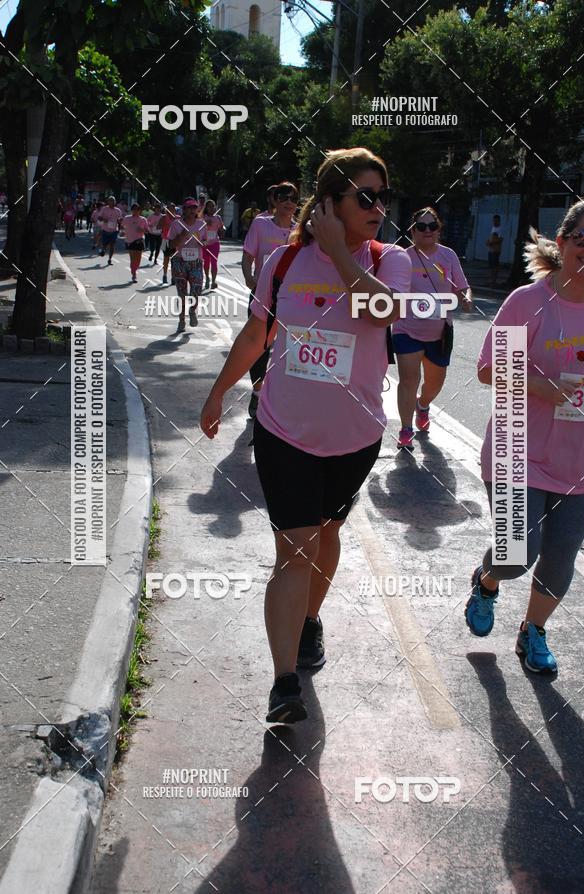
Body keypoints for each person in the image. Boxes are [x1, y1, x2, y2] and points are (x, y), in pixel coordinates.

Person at [200, 147, 411, 724]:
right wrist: (219, 390)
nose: (377, 207)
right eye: (363, 196)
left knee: (327, 533)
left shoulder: (389, 260)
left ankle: (312, 619)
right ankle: (284, 681)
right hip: (283, 430)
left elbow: (379, 313)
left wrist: (342, 252)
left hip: (355, 437)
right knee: (294, 548)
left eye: (381, 197)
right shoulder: (285, 264)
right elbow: (256, 332)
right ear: (328, 202)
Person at [466, 199, 584, 674]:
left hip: (582, 458)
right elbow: (487, 370)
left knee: (560, 558)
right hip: (516, 450)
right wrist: (542, 385)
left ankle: (533, 631)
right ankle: (486, 582)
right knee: (518, 553)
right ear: (562, 242)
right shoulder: (528, 301)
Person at [393, 207, 472, 450]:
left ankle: (423, 405)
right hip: (406, 329)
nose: (427, 231)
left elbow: (462, 286)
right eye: (421, 226)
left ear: (438, 230)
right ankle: (406, 429)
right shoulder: (401, 257)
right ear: (412, 231)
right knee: (409, 379)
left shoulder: (448, 256)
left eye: (432, 226)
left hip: (439, 331)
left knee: (434, 384)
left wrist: (466, 298)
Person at [242, 182, 298, 418]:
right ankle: (257, 392)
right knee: (259, 347)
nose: (288, 202)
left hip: (293, 298)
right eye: (283, 197)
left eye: (293, 198)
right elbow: (247, 258)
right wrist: (252, 281)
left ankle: (280, 399)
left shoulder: (300, 231)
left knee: (288, 349)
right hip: (263, 296)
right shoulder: (261, 224)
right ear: (274, 200)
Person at [167, 197, 207, 333]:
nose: (191, 210)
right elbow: (170, 244)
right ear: (184, 210)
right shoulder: (176, 224)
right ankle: (181, 320)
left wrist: (203, 243)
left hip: (196, 261)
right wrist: (181, 236)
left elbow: (205, 240)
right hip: (179, 261)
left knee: (197, 289)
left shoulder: (201, 224)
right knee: (182, 293)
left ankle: (192, 310)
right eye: (189, 208)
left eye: (194, 208)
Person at [120, 203, 149, 283]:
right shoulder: (127, 218)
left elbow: (147, 231)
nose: (135, 211)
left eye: (137, 209)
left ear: (140, 210)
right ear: (131, 210)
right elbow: (122, 226)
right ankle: (134, 274)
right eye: (134, 209)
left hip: (139, 240)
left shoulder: (143, 219)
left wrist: (142, 230)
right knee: (132, 259)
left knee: (138, 259)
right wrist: (122, 232)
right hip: (129, 240)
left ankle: (134, 270)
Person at [201, 200, 225, 290]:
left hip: (215, 243)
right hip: (205, 243)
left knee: (214, 262)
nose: (211, 208)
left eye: (213, 206)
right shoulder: (203, 217)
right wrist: (205, 223)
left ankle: (213, 281)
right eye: (209, 206)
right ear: (206, 208)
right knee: (206, 263)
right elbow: (198, 228)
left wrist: (222, 230)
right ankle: (207, 278)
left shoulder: (218, 218)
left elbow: (221, 228)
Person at [98, 196, 123, 265]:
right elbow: (99, 218)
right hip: (105, 230)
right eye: (110, 201)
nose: (112, 202)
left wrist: (120, 221)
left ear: (115, 202)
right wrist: (103, 219)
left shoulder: (118, 210)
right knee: (104, 244)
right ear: (108, 202)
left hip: (114, 230)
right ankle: (103, 250)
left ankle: (109, 259)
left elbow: (120, 220)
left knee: (112, 245)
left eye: (113, 201)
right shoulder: (104, 209)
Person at [161, 202, 179, 285]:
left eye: (173, 208)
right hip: (165, 240)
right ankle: (164, 275)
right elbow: (159, 226)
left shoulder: (178, 218)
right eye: (170, 208)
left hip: (175, 241)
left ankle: (173, 277)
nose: (172, 210)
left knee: (174, 260)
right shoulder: (164, 217)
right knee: (166, 259)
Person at [486, 213, 503, 286]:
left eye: (496, 221)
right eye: (494, 221)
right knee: (491, 266)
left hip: (496, 250)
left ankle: (494, 281)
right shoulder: (493, 228)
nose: (495, 222)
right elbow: (491, 238)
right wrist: (488, 241)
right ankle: (490, 280)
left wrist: (491, 243)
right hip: (490, 249)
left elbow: (500, 240)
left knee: (495, 266)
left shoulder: (500, 229)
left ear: (499, 221)